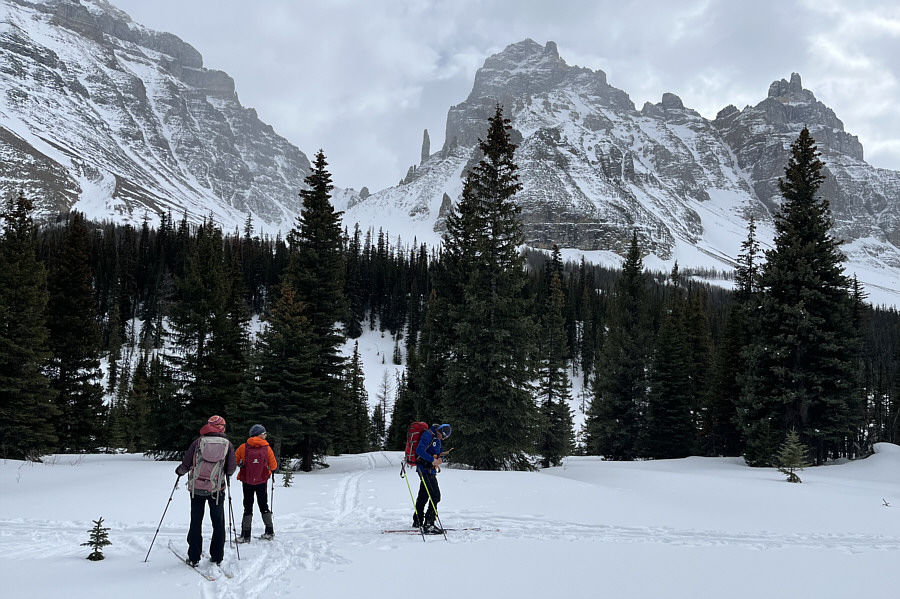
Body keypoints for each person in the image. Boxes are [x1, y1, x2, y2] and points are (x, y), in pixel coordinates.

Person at [175, 415, 237, 566]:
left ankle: (194, 556)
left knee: (196, 521)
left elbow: (186, 463)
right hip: (216, 489)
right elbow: (231, 468)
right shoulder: (227, 444)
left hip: (196, 488)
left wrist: (179, 472)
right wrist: (225, 475)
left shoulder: (198, 442)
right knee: (218, 522)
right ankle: (217, 556)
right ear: (221, 427)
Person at [234, 424, 278, 543]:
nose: (265, 435)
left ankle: (245, 535)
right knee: (263, 505)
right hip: (262, 481)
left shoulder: (243, 447)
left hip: (247, 481)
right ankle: (269, 531)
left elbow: (234, 461)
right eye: (264, 433)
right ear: (258, 434)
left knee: (248, 507)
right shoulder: (267, 448)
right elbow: (274, 466)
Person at [413, 423, 451, 534]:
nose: (442, 439)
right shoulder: (428, 435)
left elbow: (440, 451)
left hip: (431, 470)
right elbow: (419, 450)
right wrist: (432, 460)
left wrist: (440, 458)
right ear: (439, 431)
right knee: (435, 495)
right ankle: (429, 524)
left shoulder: (437, 438)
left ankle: (418, 520)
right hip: (424, 470)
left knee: (424, 495)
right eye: (442, 436)